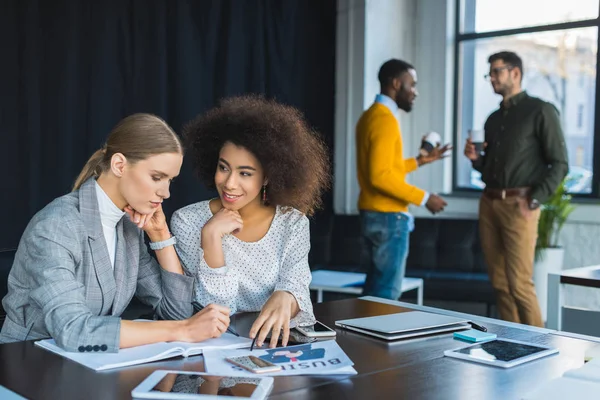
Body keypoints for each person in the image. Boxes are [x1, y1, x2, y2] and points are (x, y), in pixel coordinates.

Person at [0, 113, 230, 352]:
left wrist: (161, 236)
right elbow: (74, 330)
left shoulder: (129, 227)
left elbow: (176, 313)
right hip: (29, 364)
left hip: (90, 369)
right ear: (119, 165)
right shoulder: (56, 225)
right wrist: (182, 331)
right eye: (156, 177)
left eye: (169, 180)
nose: (166, 193)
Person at [171, 95, 330, 349]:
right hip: (210, 356)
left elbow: (297, 286)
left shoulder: (293, 223)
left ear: (268, 177)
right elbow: (215, 316)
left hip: (277, 355)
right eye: (224, 168)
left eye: (245, 173)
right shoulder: (188, 221)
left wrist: (287, 296)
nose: (229, 183)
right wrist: (211, 239)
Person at [464, 51, 568, 327]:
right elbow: (488, 171)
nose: (491, 79)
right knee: (499, 283)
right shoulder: (493, 119)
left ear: (515, 73)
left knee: (520, 284)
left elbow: (559, 163)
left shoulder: (540, 111)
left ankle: (540, 348)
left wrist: (533, 200)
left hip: (520, 205)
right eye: (490, 74)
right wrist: (476, 160)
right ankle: (511, 344)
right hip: (489, 203)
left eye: (496, 72)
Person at [356, 59, 451, 300]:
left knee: (375, 293)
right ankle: (370, 338)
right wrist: (425, 198)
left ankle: (358, 337)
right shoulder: (385, 120)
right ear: (396, 83)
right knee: (385, 297)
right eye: (412, 85)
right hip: (389, 218)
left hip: (374, 214)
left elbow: (384, 168)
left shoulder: (370, 116)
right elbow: (380, 177)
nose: (415, 92)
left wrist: (420, 160)